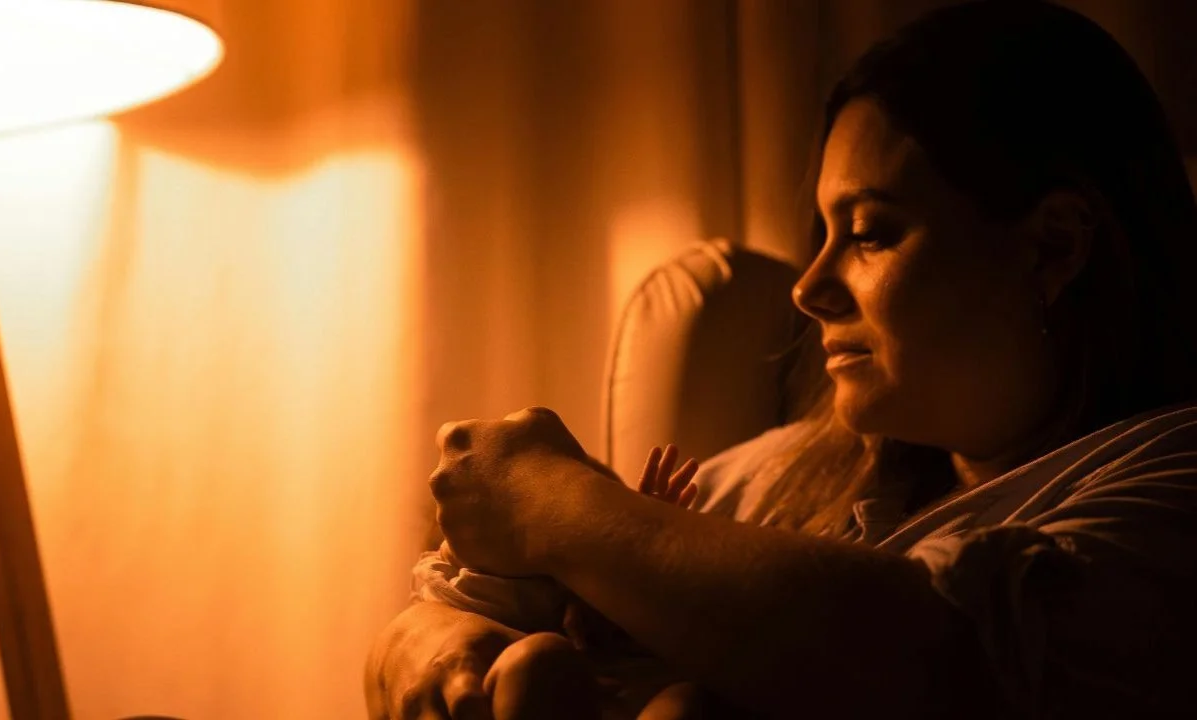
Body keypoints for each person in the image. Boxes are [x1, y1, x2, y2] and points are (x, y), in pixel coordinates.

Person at [365, 1, 1197, 717]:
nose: (808, 288)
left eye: (868, 233)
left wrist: (557, 502)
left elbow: (937, 663)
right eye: (820, 233)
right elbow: (479, 606)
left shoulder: (1168, 479)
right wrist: (427, 642)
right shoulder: (772, 480)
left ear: (1050, 247)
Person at [412, 444, 704, 720]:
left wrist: (644, 538)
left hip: (624, 699)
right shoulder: (461, 583)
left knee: (686, 700)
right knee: (535, 663)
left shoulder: (601, 589)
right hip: (529, 691)